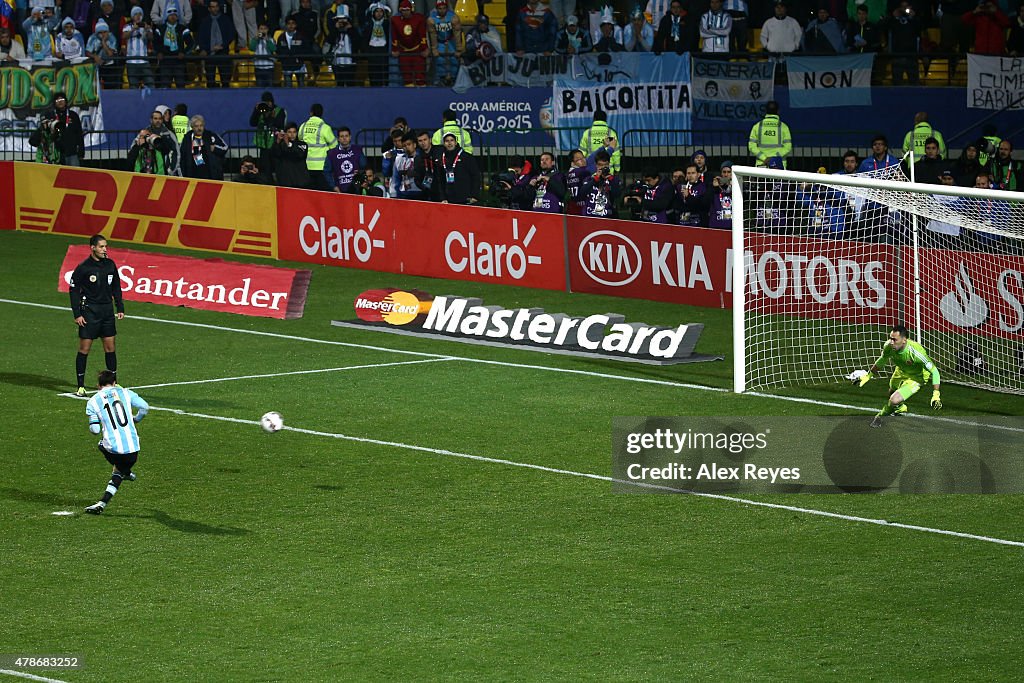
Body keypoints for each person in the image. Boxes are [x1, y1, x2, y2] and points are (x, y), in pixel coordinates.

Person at [83, 370, 149, 515]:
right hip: (133, 450)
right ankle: (102, 503)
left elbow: (94, 430)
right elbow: (145, 407)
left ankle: (126, 473)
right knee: (119, 471)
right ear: (114, 383)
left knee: (101, 445)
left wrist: (95, 422)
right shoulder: (125, 392)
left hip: (113, 450)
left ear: (98, 385)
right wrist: (136, 419)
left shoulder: (93, 401)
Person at [852, 324, 942, 428]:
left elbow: (934, 371)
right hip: (901, 371)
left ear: (904, 340)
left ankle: (880, 417)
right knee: (891, 391)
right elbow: (882, 360)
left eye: (895, 340)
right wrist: (869, 375)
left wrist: (936, 394)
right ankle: (900, 408)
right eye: (890, 338)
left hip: (916, 377)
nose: (891, 342)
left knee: (894, 399)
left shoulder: (916, 353)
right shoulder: (888, 346)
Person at [70, 235, 125, 396]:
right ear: (92, 247)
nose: (104, 249)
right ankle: (80, 386)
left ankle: (113, 382)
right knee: (84, 348)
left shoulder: (110, 264)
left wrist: (119, 306)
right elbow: (73, 290)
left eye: (105, 246)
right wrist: (77, 314)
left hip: (107, 312)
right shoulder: (84, 267)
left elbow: (116, 286)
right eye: (101, 247)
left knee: (110, 347)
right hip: (90, 312)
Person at [198, 0, 236, 87]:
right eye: (213, 7)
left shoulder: (226, 19)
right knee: (210, 82)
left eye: (216, 6)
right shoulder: (205, 22)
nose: (215, 9)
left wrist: (222, 46)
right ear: (209, 9)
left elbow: (231, 35)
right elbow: (201, 38)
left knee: (225, 81)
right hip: (209, 54)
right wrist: (206, 49)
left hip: (223, 53)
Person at [127, 109, 178, 175]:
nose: (158, 121)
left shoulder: (168, 134)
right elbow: (132, 151)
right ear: (151, 120)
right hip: (144, 171)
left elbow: (175, 152)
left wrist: (170, 170)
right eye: (155, 118)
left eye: (160, 119)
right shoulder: (144, 133)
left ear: (162, 120)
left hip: (161, 171)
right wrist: (139, 143)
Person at [153, 7, 193, 89]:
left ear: (177, 16)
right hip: (165, 62)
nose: (172, 16)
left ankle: (181, 102)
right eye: (170, 15)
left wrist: (184, 53)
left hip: (179, 62)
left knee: (181, 86)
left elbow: (191, 43)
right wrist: (158, 53)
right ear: (166, 16)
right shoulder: (160, 29)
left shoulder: (183, 29)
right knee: (165, 87)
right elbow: (155, 43)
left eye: (174, 15)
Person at [179, 115, 229, 180]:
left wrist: (215, 148)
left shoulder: (210, 135)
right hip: (193, 175)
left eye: (201, 125)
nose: (199, 128)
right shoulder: (187, 138)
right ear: (192, 127)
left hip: (211, 175)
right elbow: (182, 155)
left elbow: (225, 147)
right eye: (196, 126)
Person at [299, 103, 336, 191]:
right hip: (321, 167)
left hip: (306, 166)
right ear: (322, 114)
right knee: (322, 194)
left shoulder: (303, 126)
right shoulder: (325, 128)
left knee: (309, 195)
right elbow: (334, 146)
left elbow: (300, 141)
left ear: (311, 113)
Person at [250, 92, 286, 181]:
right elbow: (252, 123)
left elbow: (279, 125)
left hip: (275, 145)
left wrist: (270, 117)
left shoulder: (279, 111)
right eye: (265, 102)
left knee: (279, 169)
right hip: (264, 146)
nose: (268, 104)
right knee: (266, 171)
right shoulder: (260, 111)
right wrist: (256, 111)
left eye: (269, 101)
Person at [437, 132, 480, 205]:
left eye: (452, 140)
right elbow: (440, 180)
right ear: (444, 144)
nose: (449, 143)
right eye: (447, 141)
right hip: (449, 199)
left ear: (456, 142)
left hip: (466, 198)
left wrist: (474, 195)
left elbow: (475, 176)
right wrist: (443, 197)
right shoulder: (441, 158)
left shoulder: (466, 157)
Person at [391, 0, 428, 86]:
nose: (405, 12)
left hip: (417, 51)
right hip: (404, 51)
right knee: (407, 77)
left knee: (420, 76)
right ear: (400, 11)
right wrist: (395, 49)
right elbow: (394, 36)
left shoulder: (419, 19)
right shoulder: (395, 20)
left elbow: (422, 35)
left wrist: (424, 48)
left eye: (407, 10)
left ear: (411, 9)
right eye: (403, 10)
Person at [885, 1, 921, 86]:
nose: (904, 10)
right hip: (897, 57)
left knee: (914, 85)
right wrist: (894, 17)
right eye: (902, 7)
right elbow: (885, 27)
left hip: (912, 57)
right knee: (897, 85)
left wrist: (913, 17)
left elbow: (920, 29)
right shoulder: (894, 21)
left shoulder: (914, 21)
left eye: (906, 7)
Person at [748, 100, 791, 168]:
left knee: (761, 179)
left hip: (761, 164)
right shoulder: (784, 127)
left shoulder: (757, 126)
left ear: (765, 111)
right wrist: (773, 159)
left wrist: (764, 158)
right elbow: (788, 147)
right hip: (779, 165)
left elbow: (751, 146)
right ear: (778, 111)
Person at [578, 149, 620, 218]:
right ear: (596, 165)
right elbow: (582, 194)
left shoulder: (613, 179)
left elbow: (617, 195)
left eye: (605, 165)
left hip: (607, 216)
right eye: (600, 165)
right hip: (589, 216)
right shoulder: (589, 179)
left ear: (609, 164)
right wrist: (595, 179)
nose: (603, 167)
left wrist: (611, 181)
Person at [324, 6, 359, 86]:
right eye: (340, 19)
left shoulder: (353, 30)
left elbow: (358, 42)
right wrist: (335, 29)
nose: (342, 22)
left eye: (344, 19)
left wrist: (350, 29)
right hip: (337, 62)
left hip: (350, 62)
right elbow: (329, 41)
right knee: (339, 84)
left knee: (351, 84)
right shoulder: (334, 31)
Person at [121, 6, 155, 88]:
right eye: (136, 14)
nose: (138, 16)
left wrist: (147, 30)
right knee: (133, 86)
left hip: (144, 61)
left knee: (150, 84)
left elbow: (151, 38)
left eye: (140, 14)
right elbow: (124, 36)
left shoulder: (146, 26)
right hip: (131, 62)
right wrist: (133, 29)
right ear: (132, 16)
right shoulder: (127, 26)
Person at [578, 109, 621, 174]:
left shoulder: (587, 133)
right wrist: (617, 169)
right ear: (605, 119)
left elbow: (582, 153)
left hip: (592, 171)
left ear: (594, 119)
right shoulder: (611, 133)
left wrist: (580, 168)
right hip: (608, 170)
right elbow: (616, 153)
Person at [428, 0, 460, 86]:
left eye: (444, 8)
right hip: (439, 41)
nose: (442, 10)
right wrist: (434, 48)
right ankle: (441, 79)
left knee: (454, 59)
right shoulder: (432, 19)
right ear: (436, 8)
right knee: (439, 59)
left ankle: (453, 78)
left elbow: (457, 34)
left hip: (451, 40)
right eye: (440, 8)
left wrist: (458, 49)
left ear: (447, 8)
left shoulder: (453, 17)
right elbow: (433, 35)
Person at [326, 126, 368, 193]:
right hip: (340, 190)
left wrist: (360, 175)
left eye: (346, 136)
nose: (344, 138)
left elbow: (364, 166)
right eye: (342, 136)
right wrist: (333, 187)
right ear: (338, 138)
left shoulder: (357, 149)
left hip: (356, 188)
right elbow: (326, 172)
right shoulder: (331, 153)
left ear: (350, 137)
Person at [271, 122, 310, 188]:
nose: (292, 134)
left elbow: (299, 155)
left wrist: (288, 144)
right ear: (285, 133)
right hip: (286, 182)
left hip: (301, 181)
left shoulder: (302, 144)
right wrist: (278, 141)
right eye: (289, 132)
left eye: (294, 132)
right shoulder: (281, 145)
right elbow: (275, 154)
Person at [277, 15, 311, 87]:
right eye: (289, 23)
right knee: (288, 88)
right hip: (286, 65)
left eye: (293, 23)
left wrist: (299, 57)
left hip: (299, 65)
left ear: (296, 25)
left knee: (301, 86)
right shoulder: (281, 37)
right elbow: (279, 50)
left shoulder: (301, 36)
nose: (291, 25)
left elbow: (306, 48)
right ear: (286, 25)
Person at [364, 2, 391, 87]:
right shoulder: (368, 24)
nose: (379, 14)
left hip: (383, 52)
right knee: (373, 76)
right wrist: (367, 52)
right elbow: (364, 39)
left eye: (381, 11)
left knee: (384, 77)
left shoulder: (387, 24)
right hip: (372, 52)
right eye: (377, 11)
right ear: (373, 13)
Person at [414, 129, 441, 201]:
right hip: (428, 194)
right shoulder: (418, 158)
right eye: (420, 141)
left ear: (430, 140)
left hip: (444, 192)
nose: (423, 143)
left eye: (425, 139)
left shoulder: (440, 151)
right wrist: (425, 188)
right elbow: (417, 178)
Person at [707, 160, 735, 229]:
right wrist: (714, 188)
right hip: (716, 225)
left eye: (729, 172)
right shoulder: (714, 186)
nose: (726, 175)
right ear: (721, 174)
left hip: (732, 226)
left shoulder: (737, 186)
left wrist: (733, 186)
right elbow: (706, 202)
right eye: (724, 172)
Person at [250, 21, 277, 87]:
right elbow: (252, 48)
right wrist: (256, 39)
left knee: (270, 87)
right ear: (258, 30)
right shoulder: (254, 39)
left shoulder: (271, 39)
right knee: (259, 88)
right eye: (261, 29)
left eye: (265, 29)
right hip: (258, 68)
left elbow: (273, 49)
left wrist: (267, 40)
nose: (263, 30)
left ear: (267, 30)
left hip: (269, 68)